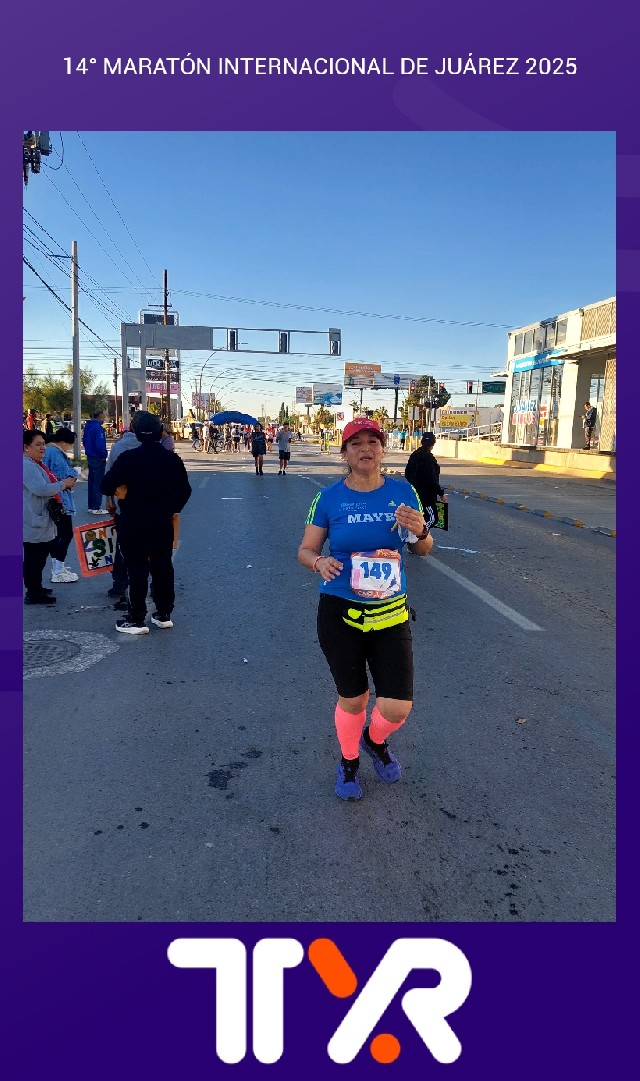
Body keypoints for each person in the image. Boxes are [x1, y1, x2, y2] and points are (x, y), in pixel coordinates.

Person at [297, 417, 433, 801]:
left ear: (383, 449)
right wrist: (318, 562)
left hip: (390, 612)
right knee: (354, 698)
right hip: (340, 610)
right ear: (345, 453)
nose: (365, 449)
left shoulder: (404, 492)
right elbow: (305, 550)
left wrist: (421, 531)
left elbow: (423, 549)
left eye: (373, 441)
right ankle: (349, 761)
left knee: (397, 707)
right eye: (356, 443)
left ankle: (374, 739)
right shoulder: (328, 498)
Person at [100, 411, 192, 634]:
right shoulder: (171, 459)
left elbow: (105, 485)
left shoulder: (128, 458)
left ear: (135, 432)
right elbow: (185, 490)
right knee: (163, 566)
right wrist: (171, 509)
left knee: (136, 568)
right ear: (160, 432)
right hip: (162, 522)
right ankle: (163, 613)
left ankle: (136, 618)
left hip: (133, 522)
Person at [23, 430, 76, 604]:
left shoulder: (35, 463)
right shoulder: (26, 465)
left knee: (39, 557)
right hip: (32, 519)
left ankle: (36, 588)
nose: (42, 448)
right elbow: (41, 489)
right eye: (38, 445)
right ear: (26, 447)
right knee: (34, 558)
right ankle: (33, 592)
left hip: (40, 517)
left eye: (43, 444)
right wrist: (63, 484)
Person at [103, 423, 142, 606]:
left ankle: (120, 584)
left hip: (123, 505)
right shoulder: (152, 447)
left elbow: (108, 476)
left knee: (122, 546)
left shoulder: (118, 447)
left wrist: (109, 500)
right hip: (149, 508)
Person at [43, 427, 80, 583]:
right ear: (64, 442)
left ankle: (57, 567)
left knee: (57, 535)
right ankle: (58, 570)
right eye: (70, 444)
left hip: (51, 498)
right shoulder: (56, 453)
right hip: (60, 500)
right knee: (65, 534)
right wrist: (74, 474)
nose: (70, 448)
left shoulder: (48, 451)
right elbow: (64, 475)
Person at [403, 431, 446, 529]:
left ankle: (417, 535)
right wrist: (440, 493)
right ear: (433, 443)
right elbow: (431, 479)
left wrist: (414, 484)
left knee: (420, 518)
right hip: (427, 496)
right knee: (432, 519)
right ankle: (420, 534)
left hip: (414, 493)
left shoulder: (414, 455)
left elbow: (407, 473)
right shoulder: (428, 458)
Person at [82, 409, 108, 514]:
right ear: (100, 416)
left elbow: (84, 441)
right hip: (98, 457)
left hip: (90, 456)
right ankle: (96, 507)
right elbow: (99, 444)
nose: (104, 419)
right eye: (103, 417)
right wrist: (104, 454)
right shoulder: (98, 428)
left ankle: (91, 506)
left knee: (92, 482)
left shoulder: (88, 426)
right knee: (98, 482)